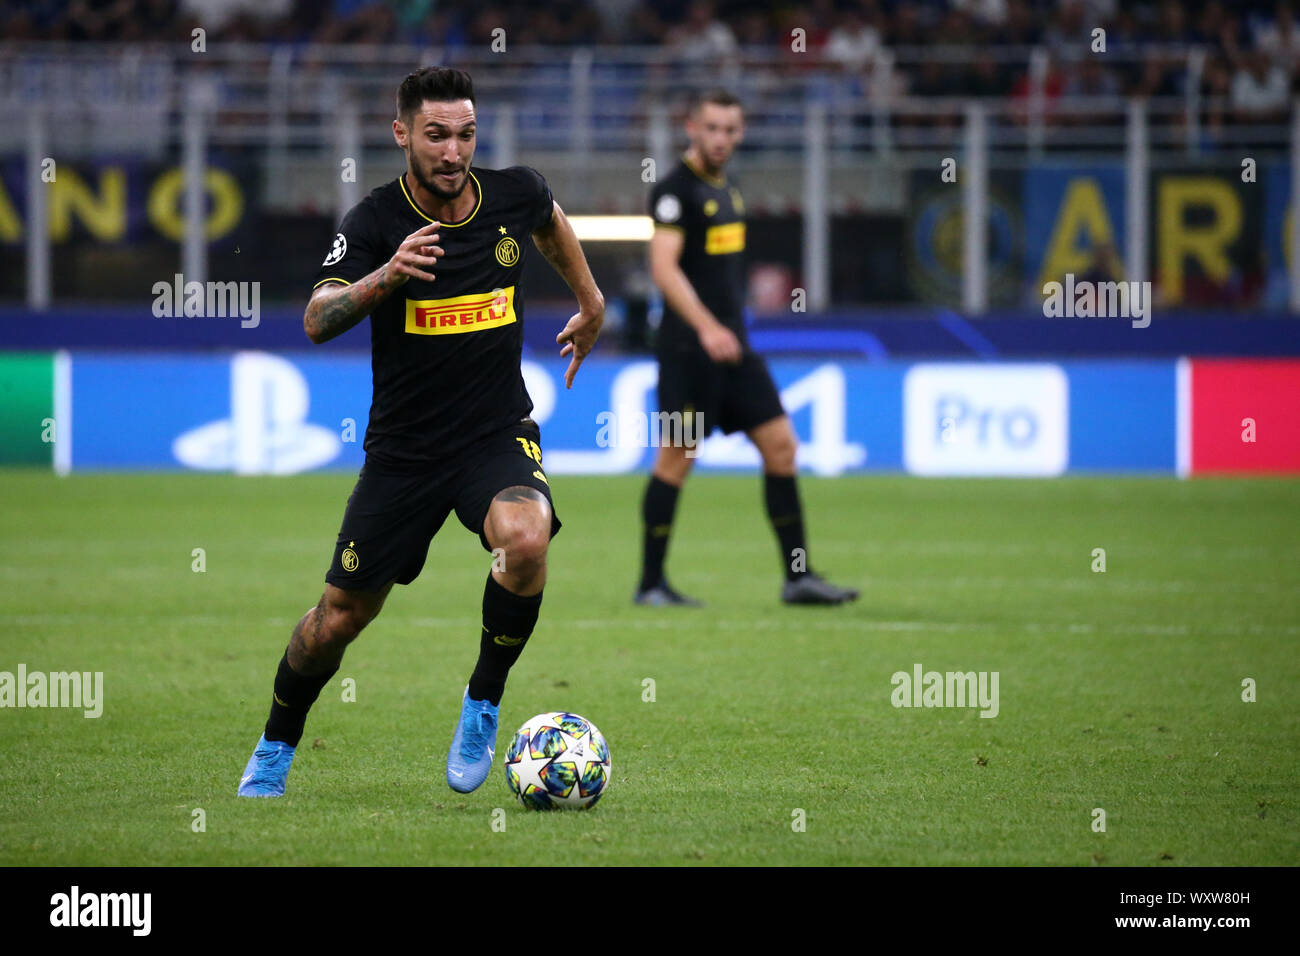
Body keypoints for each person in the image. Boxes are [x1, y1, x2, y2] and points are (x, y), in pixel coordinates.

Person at [238, 66, 604, 797]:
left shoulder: (512, 193)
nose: (453, 151)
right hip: (404, 455)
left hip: (495, 435)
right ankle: (275, 747)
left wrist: (590, 301)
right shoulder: (374, 223)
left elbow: (549, 217)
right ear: (402, 132)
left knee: (526, 538)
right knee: (335, 621)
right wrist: (388, 277)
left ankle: (484, 700)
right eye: (436, 135)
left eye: (465, 134)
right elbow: (318, 319)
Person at [636, 89, 858, 607]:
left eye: (731, 130)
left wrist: (726, 331)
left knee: (782, 446)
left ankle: (798, 577)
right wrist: (708, 327)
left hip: (734, 350)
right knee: (676, 458)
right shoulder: (675, 191)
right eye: (711, 128)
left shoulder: (729, 189)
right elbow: (663, 269)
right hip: (689, 352)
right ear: (690, 127)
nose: (721, 138)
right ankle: (650, 584)